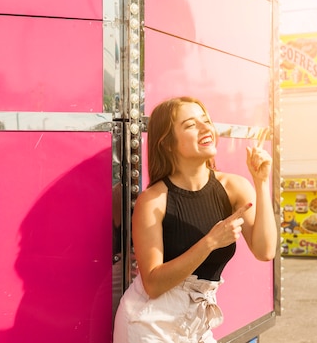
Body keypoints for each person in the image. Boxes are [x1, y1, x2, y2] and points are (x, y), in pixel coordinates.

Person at [113, 96, 277, 343]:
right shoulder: (154, 200)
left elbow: (265, 251)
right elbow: (153, 284)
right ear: (167, 143)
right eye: (190, 125)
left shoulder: (234, 187)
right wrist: (210, 242)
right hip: (149, 323)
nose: (205, 128)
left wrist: (262, 182)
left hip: (197, 324)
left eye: (206, 120)